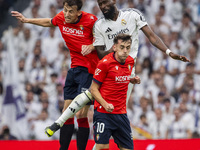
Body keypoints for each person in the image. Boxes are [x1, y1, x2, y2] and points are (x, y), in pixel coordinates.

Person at [43, 0, 190, 142]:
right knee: (89, 94)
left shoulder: (132, 15)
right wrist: (115, 51)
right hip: (108, 69)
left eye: (105, 2)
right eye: (100, 4)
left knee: (115, 111)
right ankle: (58, 123)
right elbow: (100, 53)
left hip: (127, 73)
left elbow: (152, 36)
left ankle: (112, 137)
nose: (103, 6)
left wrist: (170, 53)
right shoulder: (99, 24)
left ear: (113, 1)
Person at [11, 0, 99, 150]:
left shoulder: (91, 20)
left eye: (71, 11)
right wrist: (26, 20)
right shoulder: (61, 17)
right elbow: (48, 22)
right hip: (74, 69)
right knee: (66, 113)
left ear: (79, 12)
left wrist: (92, 46)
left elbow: (105, 39)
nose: (67, 14)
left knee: (80, 115)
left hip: (90, 71)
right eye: (65, 10)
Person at [91, 33, 140, 150]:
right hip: (103, 113)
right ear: (115, 47)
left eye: (128, 48)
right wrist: (105, 104)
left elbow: (117, 78)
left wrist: (131, 80)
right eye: (122, 47)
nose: (125, 50)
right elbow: (93, 89)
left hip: (121, 113)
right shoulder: (105, 63)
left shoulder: (130, 61)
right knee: (102, 147)